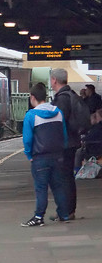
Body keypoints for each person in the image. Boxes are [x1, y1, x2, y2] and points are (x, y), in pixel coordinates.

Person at [22, 82, 70, 226]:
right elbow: (64, 135)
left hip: (40, 157)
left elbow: (27, 139)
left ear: (32, 97)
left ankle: (38, 217)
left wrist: (29, 155)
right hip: (58, 155)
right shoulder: (58, 112)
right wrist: (63, 149)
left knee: (41, 188)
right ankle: (64, 214)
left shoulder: (31, 115)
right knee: (58, 186)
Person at [50, 68, 89, 220]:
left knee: (62, 178)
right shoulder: (71, 95)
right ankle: (69, 211)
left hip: (65, 144)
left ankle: (66, 212)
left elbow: (58, 122)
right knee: (68, 177)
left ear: (54, 80)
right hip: (72, 142)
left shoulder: (62, 99)